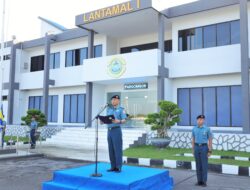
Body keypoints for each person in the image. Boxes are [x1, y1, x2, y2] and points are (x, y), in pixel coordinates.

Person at [102, 95, 127, 173]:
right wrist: (103, 121)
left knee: (117, 149)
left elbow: (124, 120)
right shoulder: (109, 109)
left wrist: (118, 121)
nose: (113, 101)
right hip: (109, 131)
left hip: (116, 130)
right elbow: (108, 119)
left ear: (118, 101)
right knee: (111, 149)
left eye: (115, 100)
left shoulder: (121, 110)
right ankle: (112, 166)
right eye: (112, 99)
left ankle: (118, 167)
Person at [192, 115, 213, 187]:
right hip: (196, 147)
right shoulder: (194, 129)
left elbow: (210, 140)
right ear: (197, 120)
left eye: (202, 119)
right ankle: (199, 181)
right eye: (199, 119)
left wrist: (210, 150)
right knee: (198, 165)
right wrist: (193, 149)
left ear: (204, 120)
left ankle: (204, 181)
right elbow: (193, 139)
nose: (200, 121)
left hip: (204, 147)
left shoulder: (207, 129)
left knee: (204, 165)